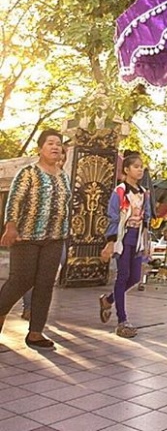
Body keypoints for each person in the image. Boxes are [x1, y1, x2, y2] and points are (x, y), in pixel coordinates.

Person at [0, 129, 71, 349]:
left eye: (58, 144)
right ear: (40, 148)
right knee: (20, 281)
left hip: (55, 238)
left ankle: (35, 333)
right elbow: (14, 200)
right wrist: (10, 226)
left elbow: (66, 205)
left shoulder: (63, 176)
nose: (55, 147)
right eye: (50, 143)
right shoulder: (28, 172)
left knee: (45, 284)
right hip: (26, 236)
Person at [99, 151, 152, 338]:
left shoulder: (144, 193)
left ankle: (108, 299)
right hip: (123, 237)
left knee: (135, 277)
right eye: (136, 166)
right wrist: (111, 241)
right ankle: (122, 320)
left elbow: (147, 217)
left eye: (141, 166)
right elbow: (113, 215)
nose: (140, 170)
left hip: (137, 239)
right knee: (122, 276)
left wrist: (147, 242)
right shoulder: (120, 191)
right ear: (127, 169)